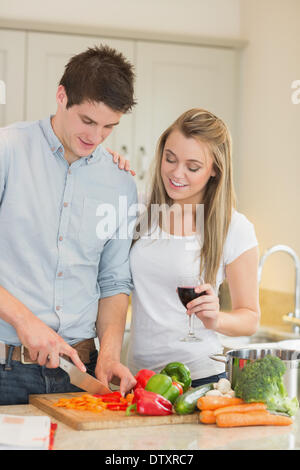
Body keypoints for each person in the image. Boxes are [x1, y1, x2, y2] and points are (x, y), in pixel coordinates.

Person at [0, 44, 138, 405]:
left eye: (110, 126)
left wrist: (108, 355)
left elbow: (114, 282)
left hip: (80, 372)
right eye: (88, 121)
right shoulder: (8, 152)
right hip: (6, 369)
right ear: (62, 97)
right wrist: (25, 321)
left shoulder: (120, 182)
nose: (96, 137)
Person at [127, 108, 260, 387]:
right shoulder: (138, 209)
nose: (176, 173)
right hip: (139, 378)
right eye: (170, 159)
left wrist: (216, 319)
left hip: (200, 379)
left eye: (193, 166)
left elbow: (249, 318)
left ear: (214, 170)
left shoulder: (234, 228)